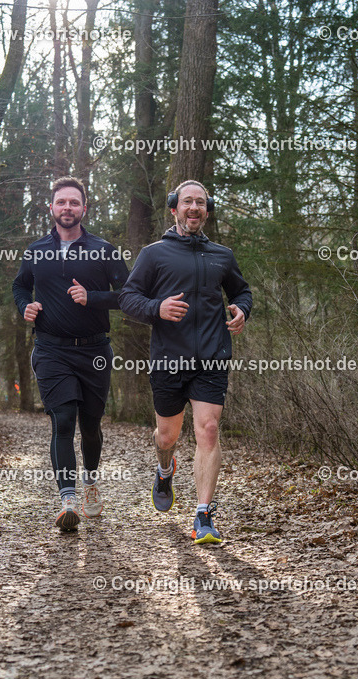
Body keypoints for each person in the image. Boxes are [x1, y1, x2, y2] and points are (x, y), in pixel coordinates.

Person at [119, 180, 252, 544]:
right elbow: (128, 297)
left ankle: (203, 516)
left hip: (212, 357)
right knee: (168, 435)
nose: (194, 208)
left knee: (208, 429)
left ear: (207, 211)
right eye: (187, 201)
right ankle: (165, 469)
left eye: (201, 203)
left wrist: (243, 309)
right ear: (174, 207)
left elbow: (241, 290)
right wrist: (156, 308)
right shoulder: (154, 254)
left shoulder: (222, 255)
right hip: (168, 360)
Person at [12, 177, 130, 531]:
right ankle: (67, 500)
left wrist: (92, 297)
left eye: (74, 203)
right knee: (62, 421)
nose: (67, 208)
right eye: (61, 202)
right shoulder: (36, 250)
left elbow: (129, 294)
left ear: (84, 208)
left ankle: (90, 483)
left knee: (90, 426)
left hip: (94, 350)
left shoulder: (104, 249)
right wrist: (25, 306)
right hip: (50, 349)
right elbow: (20, 284)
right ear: (51, 207)